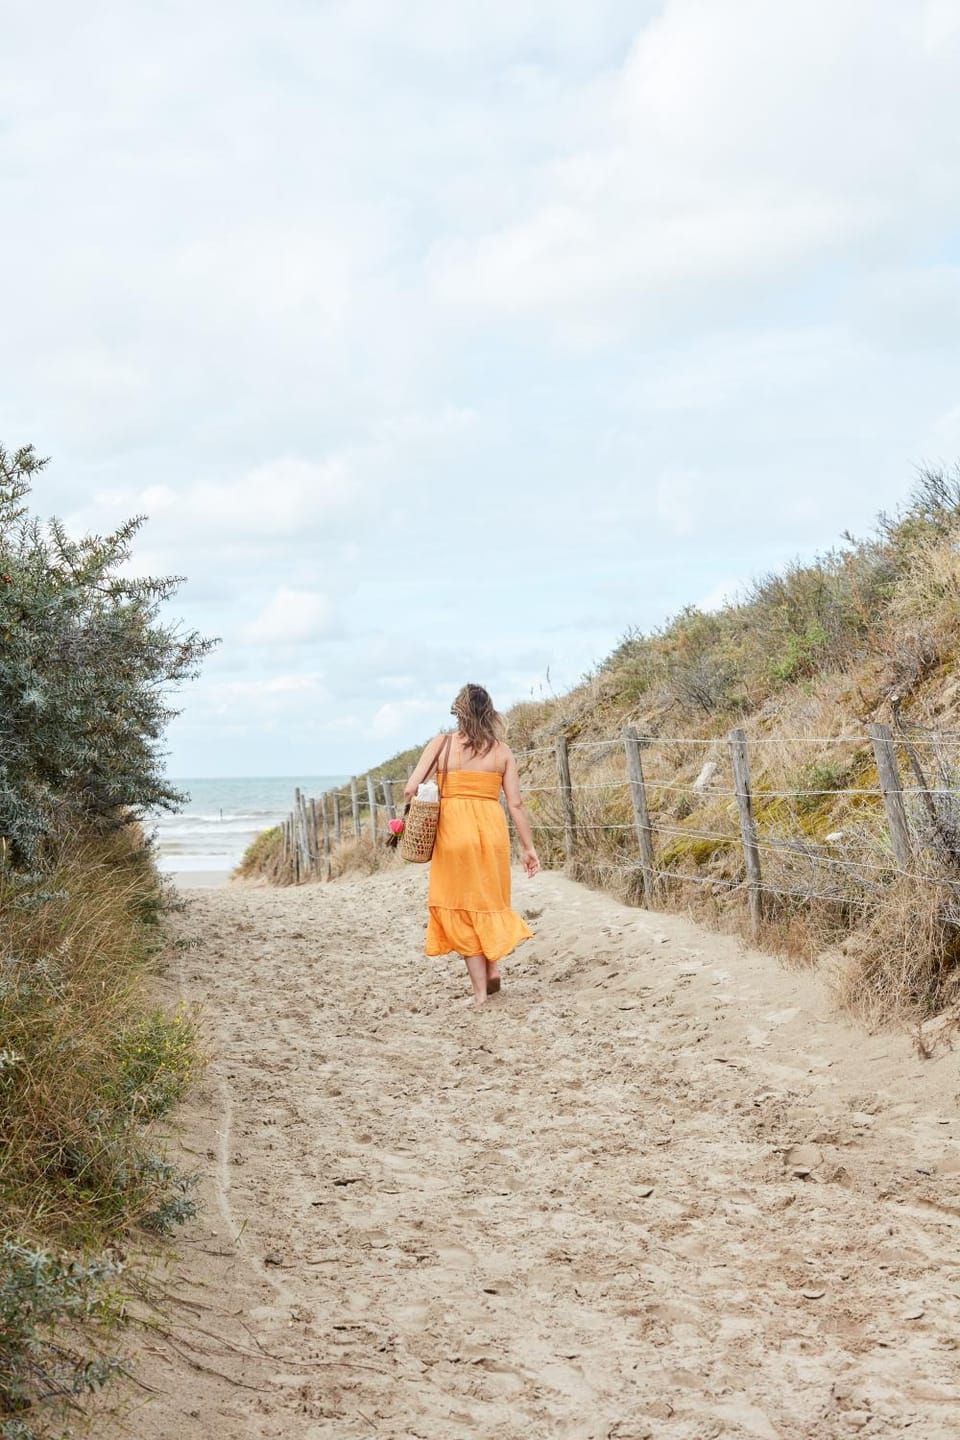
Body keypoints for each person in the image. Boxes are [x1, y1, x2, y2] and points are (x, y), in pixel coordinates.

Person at [403, 683, 540, 1005]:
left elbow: (411, 788)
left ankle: (480, 993)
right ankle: (492, 966)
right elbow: (516, 804)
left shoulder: (442, 744)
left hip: (453, 832)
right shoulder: (502, 752)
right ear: (489, 712)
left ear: (458, 711)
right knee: (488, 900)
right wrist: (528, 848)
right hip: (491, 832)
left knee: (461, 905)